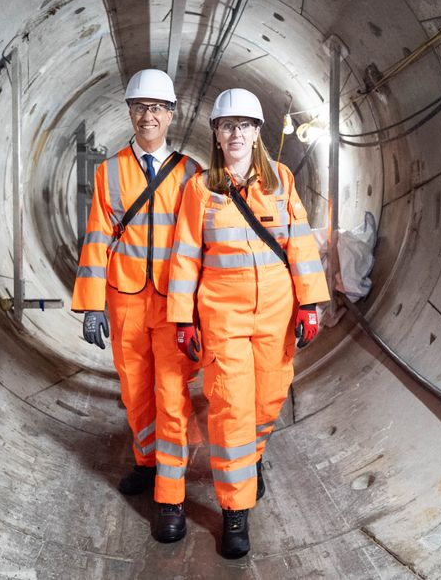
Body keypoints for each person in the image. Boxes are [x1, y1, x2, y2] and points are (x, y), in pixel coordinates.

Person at [167, 88, 330, 559]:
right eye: (227, 125)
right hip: (223, 313)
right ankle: (235, 511)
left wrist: (310, 303)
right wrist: (183, 317)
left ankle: (252, 457)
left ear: (257, 132)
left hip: (277, 311)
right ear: (215, 134)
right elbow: (185, 257)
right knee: (231, 406)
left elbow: (299, 243)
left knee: (269, 397)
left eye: (245, 125)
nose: (236, 133)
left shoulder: (279, 179)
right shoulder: (201, 189)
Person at [71, 69, 200, 543]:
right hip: (124, 300)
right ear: (129, 112)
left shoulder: (191, 174)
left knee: (171, 397)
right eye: (140, 107)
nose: (149, 116)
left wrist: (198, 309)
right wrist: (91, 304)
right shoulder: (108, 172)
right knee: (135, 394)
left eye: (157, 108)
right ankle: (148, 463)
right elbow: (97, 240)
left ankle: (170, 497)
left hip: (172, 304)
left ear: (171, 115)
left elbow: (200, 246)